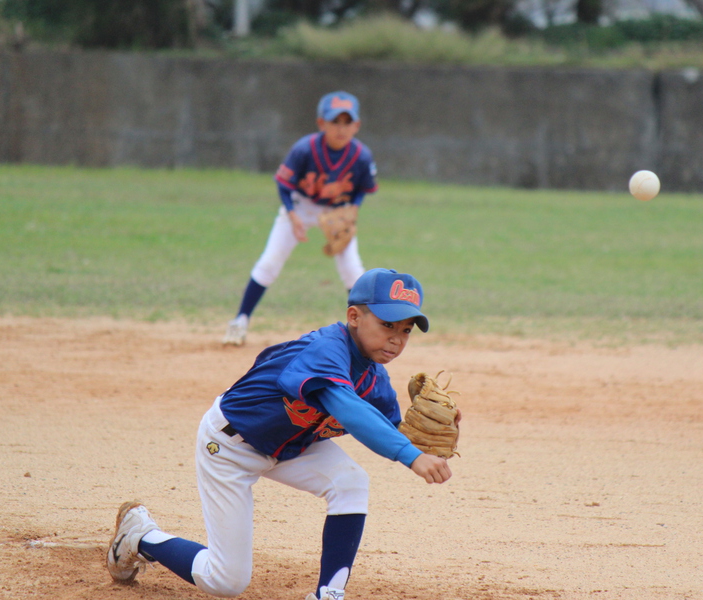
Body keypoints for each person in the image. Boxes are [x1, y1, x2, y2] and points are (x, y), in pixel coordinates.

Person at [107, 268, 458, 600]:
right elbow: (350, 410)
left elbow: (389, 427)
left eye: (407, 330)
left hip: (291, 446)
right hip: (231, 446)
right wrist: (410, 456)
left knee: (351, 482)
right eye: (387, 325)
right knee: (226, 580)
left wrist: (431, 436)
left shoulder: (374, 378)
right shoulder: (325, 351)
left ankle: (328, 593)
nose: (396, 339)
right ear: (354, 317)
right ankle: (141, 536)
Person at [223, 91, 378, 346]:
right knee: (270, 262)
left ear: (357, 125)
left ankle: (362, 334)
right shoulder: (305, 149)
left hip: (338, 212)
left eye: (347, 122)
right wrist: (293, 216)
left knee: (353, 270)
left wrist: (354, 211)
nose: (341, 128)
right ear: (321, 123)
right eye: (334, 121)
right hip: (301, 206)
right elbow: (284, 184)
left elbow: (363, 188)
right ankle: (240, 320)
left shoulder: (361, 156)